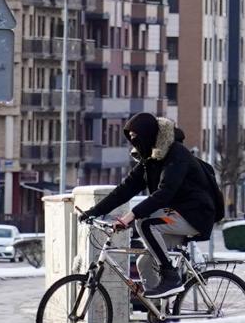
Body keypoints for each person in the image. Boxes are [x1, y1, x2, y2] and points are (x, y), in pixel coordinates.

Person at [77, 112, 216, 298]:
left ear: (149, 135)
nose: (134, 142)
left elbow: (164, 193)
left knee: (144, 222)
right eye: (131, 138)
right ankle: (159, 318)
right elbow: (124, 190)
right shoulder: (149, 160)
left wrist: (130, 216)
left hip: (196, 215)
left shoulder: (176, 154)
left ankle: (171, 276)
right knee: (144, 263)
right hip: (175, 214)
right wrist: (93, 212)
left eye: (136, 137)